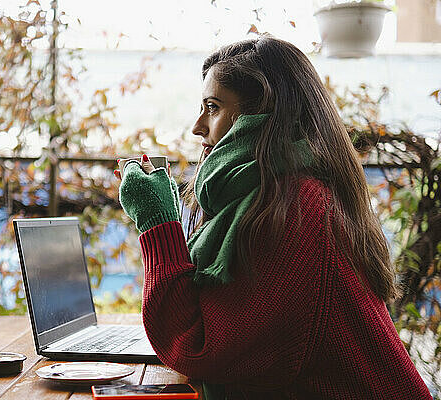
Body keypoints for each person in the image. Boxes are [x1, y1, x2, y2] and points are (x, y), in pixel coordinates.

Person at [114, 35, 432, 399]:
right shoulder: (275, 194)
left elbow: (197, 348)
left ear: (260, 114)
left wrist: (157, 223)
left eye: (212, 107)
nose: (197, 127)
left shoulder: (297, 209)